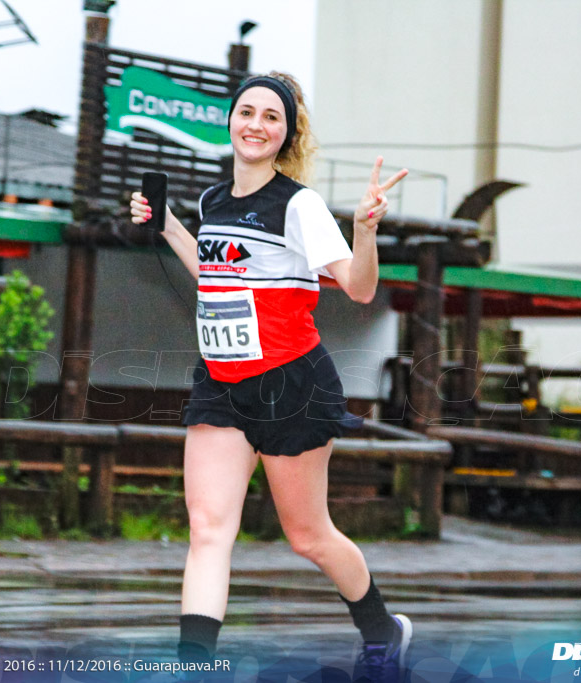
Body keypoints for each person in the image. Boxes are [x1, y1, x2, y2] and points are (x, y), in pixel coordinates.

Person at [130, 71, 411, 681]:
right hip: (221, 384)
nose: (256, 124)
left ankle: (382, 629)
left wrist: (365, 232)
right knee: (208, 528)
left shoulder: (299, 204)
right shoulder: (213, 202)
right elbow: (215, 280)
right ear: (230, 120)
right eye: (247, 112)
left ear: (286, 134)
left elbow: (360, 290)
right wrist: (170, 224)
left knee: (309, 536)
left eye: (271, 117)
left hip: (292, 384)